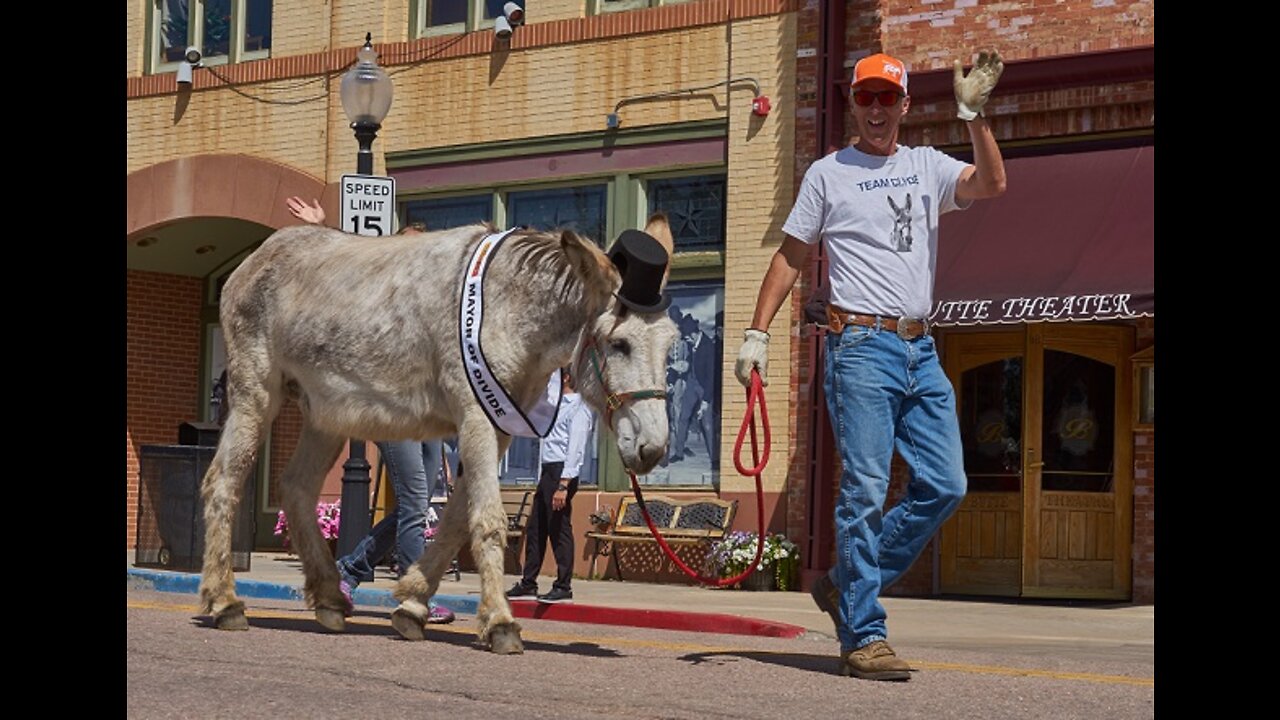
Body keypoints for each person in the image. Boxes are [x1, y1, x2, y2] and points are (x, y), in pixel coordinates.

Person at [734, 50, 1007, 681]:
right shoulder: (828, 174)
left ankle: (844, 586)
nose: (878, 109)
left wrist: (975, 116)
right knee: (862, 491)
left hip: (921, 347)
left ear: (906, 106)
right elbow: (790, 258)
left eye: (889, 98)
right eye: (867, 98)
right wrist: (755, 333)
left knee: (946, 483)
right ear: (854, 105)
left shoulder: (926, 167)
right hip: (859, 348)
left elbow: (991, 184)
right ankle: (864, 634)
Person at [284, 196, 455, 624]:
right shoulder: (379, 300)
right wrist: (322, 230)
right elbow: (346, 273)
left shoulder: (435, 304)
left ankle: (350, 570)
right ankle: (417, 594)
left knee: (411, 507)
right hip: (388, 407)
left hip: (428, 411)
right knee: (415, 500)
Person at [506, 369, 596, 604]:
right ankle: (529, 582)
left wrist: (564, 485)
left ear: (566, 378)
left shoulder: (579, 408)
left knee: (558, 528)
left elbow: (575, 449)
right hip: (547, 471)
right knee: (536, 527)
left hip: (561, 473)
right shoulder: (553, 406)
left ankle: (563, 585)